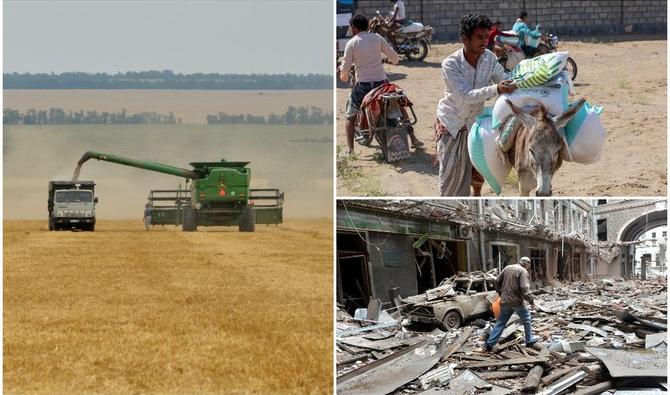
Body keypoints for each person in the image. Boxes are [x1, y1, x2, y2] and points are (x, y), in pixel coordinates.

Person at [435, 14, 517, 196]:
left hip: (475, 124)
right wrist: (497, 88)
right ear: (465, 39)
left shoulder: (489, 58)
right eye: (479, 37)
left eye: (486, 37)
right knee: (451, 179)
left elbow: (503, 78)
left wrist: (521, 79)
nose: (484, 41)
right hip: (451, 123)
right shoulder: (451, 64)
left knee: (477, 173)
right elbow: (465, 96)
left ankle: (475, 198)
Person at [340, 14, 421, 154]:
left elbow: (345, 70)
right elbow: (395, 58)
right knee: (399, 106)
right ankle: (413, 138)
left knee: (350, 116)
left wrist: (343, 75)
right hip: (382, 85)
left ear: (353, 28)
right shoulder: (377, 38)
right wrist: (388, 60)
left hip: (363, 87)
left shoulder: (352, 43)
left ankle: (350, 150)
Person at [484, 257, 540, 351]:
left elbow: (497, 281)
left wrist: (500, 293)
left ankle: (489, 344)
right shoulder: (523, 271)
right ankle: (529, 340)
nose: (528, 267)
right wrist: (531, 301)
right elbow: (524, 288)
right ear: (526, 264)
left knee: (501, 323)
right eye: (529, 265)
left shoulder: (507, 268)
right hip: (516, 301)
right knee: (527, 319)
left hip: (505, 300)